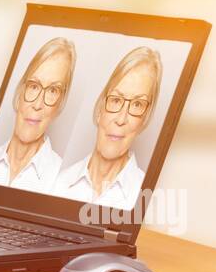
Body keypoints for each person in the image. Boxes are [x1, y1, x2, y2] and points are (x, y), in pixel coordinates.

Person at [51, 46, 161, 209]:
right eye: (116, 100)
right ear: (100, 109)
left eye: (137, 104)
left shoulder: (148, 199)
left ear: (144, 120)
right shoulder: (58, 183)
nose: (121, 119)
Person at [0, 38, 76, 193]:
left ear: (60, 103)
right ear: (21, 90)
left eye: (52, 91)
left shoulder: (63, 182)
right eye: (34, 86)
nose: (37, 104)